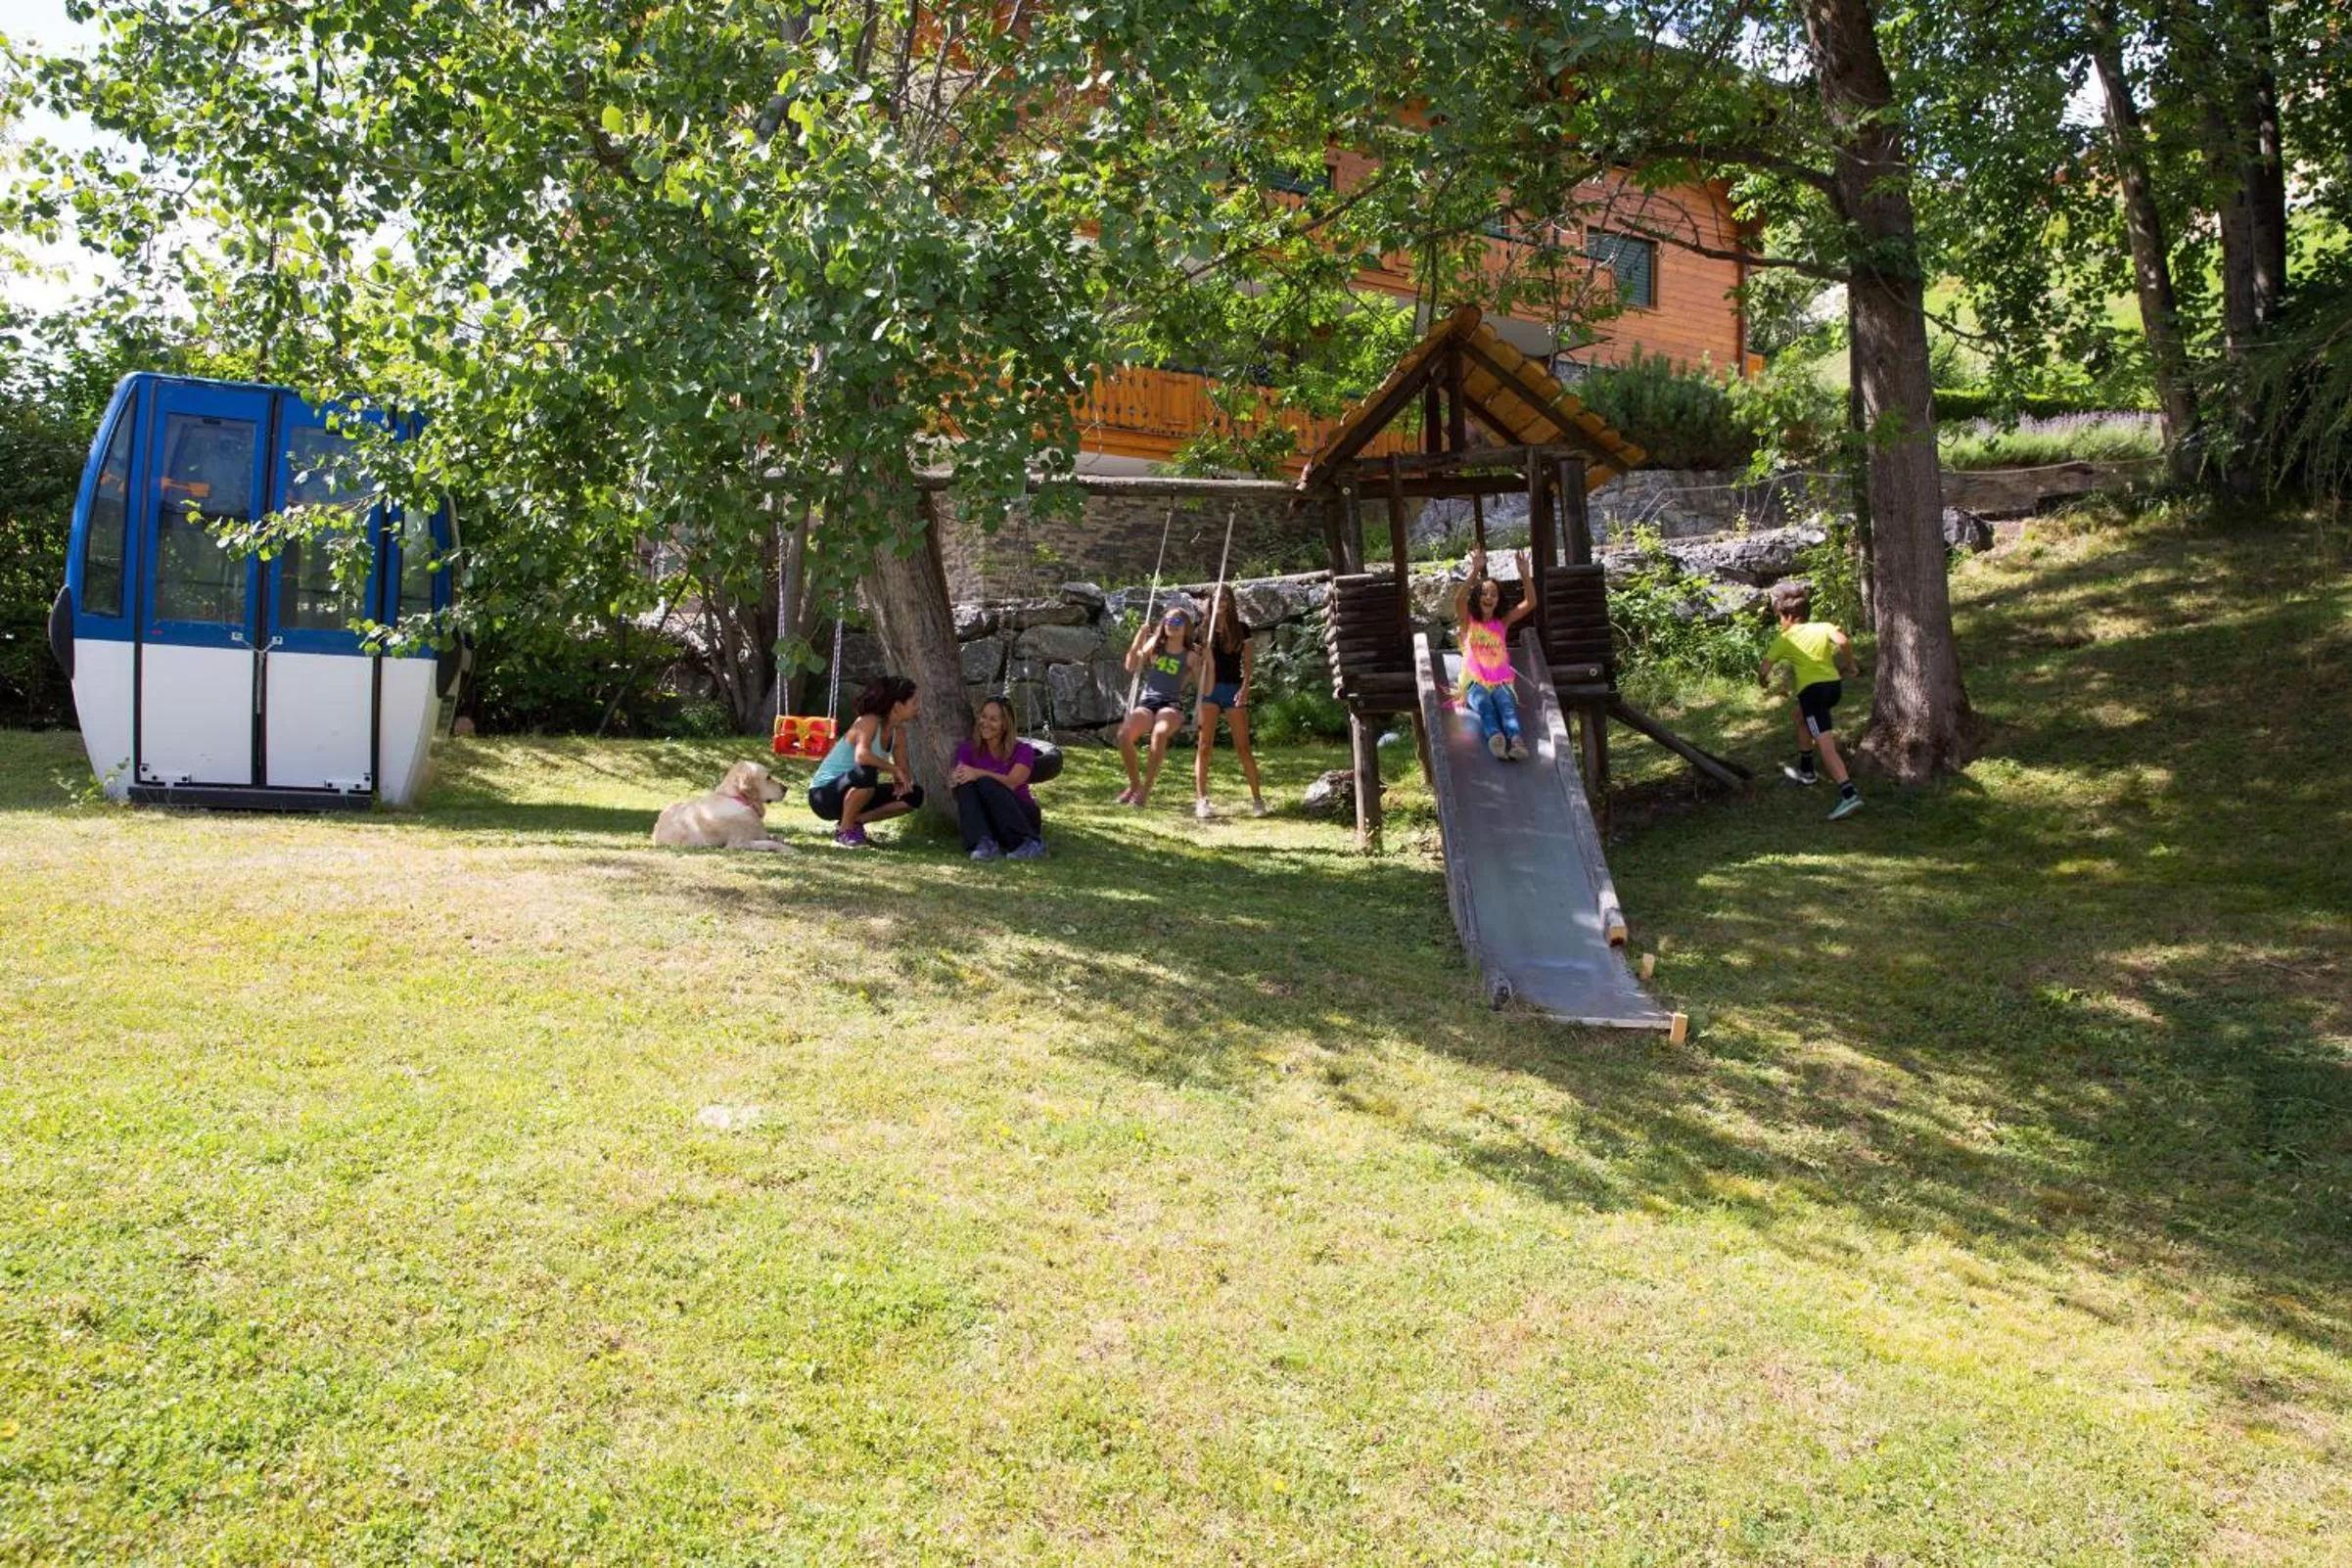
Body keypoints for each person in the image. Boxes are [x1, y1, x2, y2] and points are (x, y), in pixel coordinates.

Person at [1760, 581, 1864, 820]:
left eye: (1779, 617)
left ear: (1788, 616)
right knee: (1799, 716)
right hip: (1833, 687)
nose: (1779, 622)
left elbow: (1764, 668)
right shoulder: (1823, 626)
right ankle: (1807, 771)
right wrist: (1851, 665)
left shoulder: (1785, 639)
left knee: (1825, 745)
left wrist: (1762, 681)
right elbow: (1843, 641)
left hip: (1813, 694)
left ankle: (1848, 794)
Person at [807, 675, 925, 848]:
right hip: (823, 796)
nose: (918, 707)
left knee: (914, 794)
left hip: (858, 790)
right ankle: (844, 833)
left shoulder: (898, 733)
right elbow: (862, 756)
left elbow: (903, 771)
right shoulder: (869, 721)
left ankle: (854, 822)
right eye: (914, 702)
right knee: (866, 772)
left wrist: (902, 779)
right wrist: (894, 769)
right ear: (898, 706)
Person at [1191, 583, 1268, 819]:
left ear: (1231, 601)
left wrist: (1245, 687)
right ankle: (1201, 801)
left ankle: (1258, 801)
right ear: (1211, 601)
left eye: (1225, 597)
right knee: (1205, 746)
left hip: (1233, 689)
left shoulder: (1241, 629)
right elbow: (1195, 664)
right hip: (1210, 691)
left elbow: (1248, 663)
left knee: (1243, 747)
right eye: (1217, 597)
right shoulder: (1202, 630)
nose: (1221, 601)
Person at [1453, 546, 1536, 761]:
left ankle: (1516, 740)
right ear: (1477, 598)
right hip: (1474, 681)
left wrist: (1525, 574)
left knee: (1506, 706)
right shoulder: (1468, 621)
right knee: (1484, 705)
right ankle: (1496, 737)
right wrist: (1474, 571)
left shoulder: (1502, 622)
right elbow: (1459, 600)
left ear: (1498, 600)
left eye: (1493, 594)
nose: (1489, 597)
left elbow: (1530, 603)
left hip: (1500, 681)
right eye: (1484, 593)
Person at [1116, 603, 1200, 807]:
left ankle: (1145, 791)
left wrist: (1204, 663)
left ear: (1186, 627)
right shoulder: (1155, 645)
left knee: (1160, 733)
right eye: (1168, 620)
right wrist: (1139, 638)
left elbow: (1203, 685)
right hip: (1148, 702)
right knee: (1123, 735)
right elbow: (1131, 665)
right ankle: (1135, 785)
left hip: (1170, 704)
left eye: (1177, 621)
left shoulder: (1190, 655)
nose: (1172, 624)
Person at [950, 696, 1046, 860]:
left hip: (1021, 815)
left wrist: (979, 773)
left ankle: (1029, 843)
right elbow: (959, 775)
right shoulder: (968, 748)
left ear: (1005, 725)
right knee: (965, 785)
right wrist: (955, 777)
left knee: (985, 782)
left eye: (993, 719)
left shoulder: (1023, 750)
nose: (985, 723)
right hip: (992, 820)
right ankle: (984, 843)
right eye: (984, 717)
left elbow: (1012, 783)